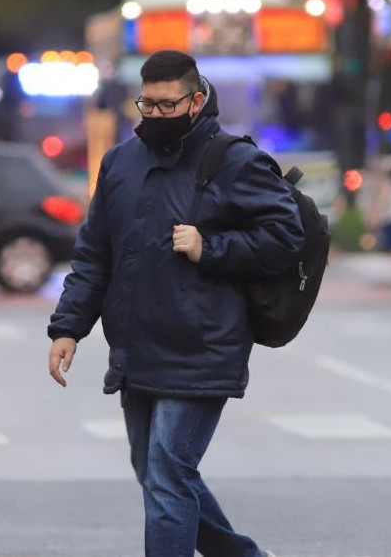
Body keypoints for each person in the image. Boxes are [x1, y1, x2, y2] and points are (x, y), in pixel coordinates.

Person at [47, 50, 304, 557]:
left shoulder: (234, 160)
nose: (158, 116)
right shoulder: (120, 163)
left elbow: (285, 234)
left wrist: (212, 247)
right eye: (149, 105)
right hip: (139, 347)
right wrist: (67, 328)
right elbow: (95, 253)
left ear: (197, 98)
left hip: (204, 344)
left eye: (170, 105)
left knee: (168, 473)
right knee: (156, 472)